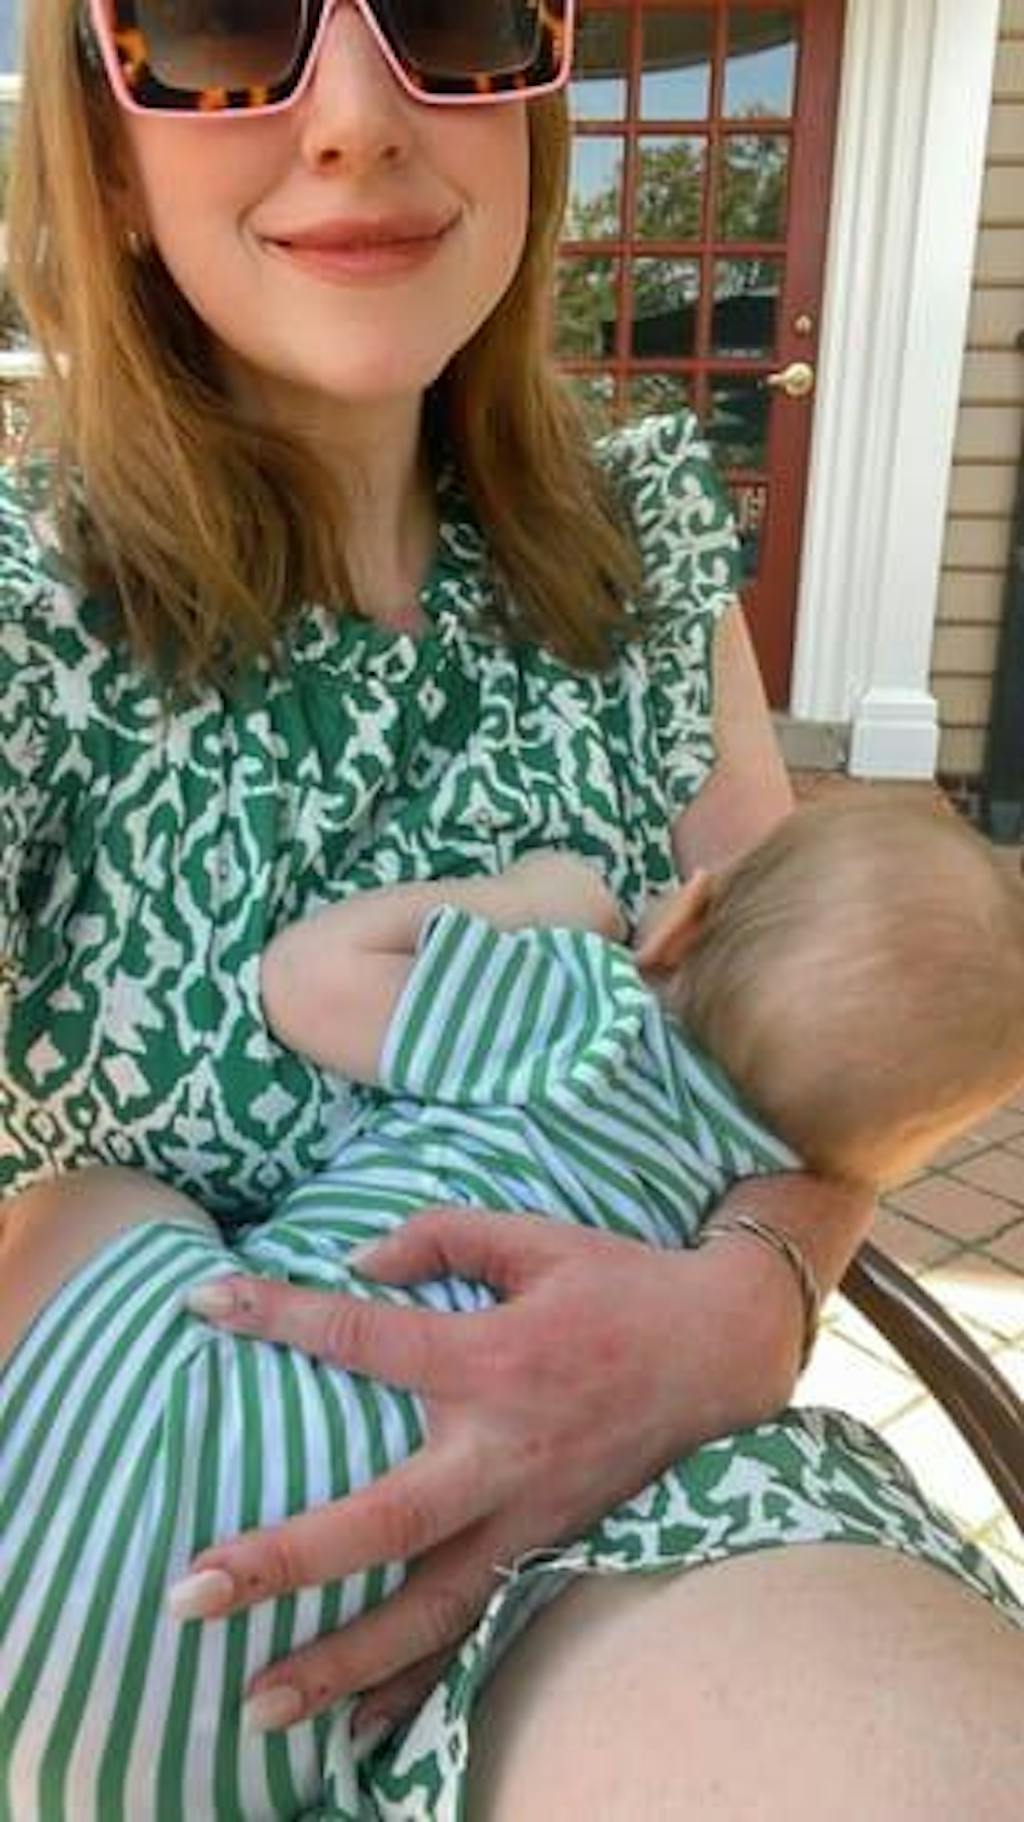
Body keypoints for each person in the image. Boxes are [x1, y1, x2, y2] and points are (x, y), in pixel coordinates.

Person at [0, 1, 1020, 1815]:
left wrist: (743, 1306)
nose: (352, 116)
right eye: (223, 23)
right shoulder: (27, 616)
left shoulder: (641, 548)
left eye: (453, 9)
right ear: (108, 147)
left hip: (619, 1512)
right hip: (137, 1553)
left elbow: (803, 1080)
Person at [3, 795, 1023, 1816]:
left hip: (155, 1432)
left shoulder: (582, 1012)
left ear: (683, 920)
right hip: (277, 1714)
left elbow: (303, 979)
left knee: (104, 1201)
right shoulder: (749, 1198)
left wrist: (532, 899)